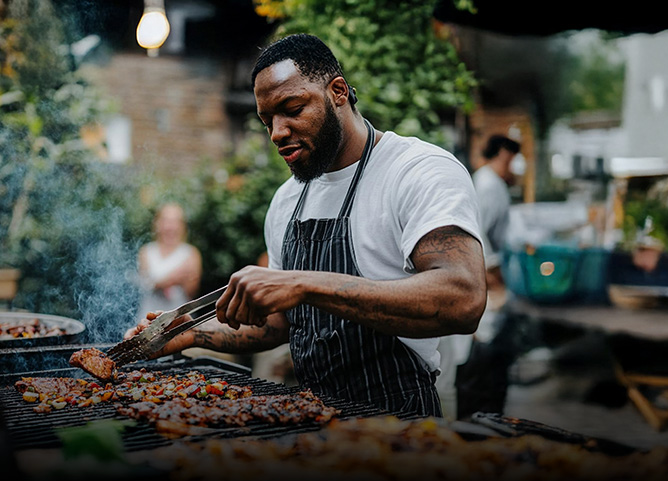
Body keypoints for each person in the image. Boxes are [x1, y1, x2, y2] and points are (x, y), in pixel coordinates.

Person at [125, 34, 487, 417]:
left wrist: (302, 284)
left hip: (400, 423)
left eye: (292, 108)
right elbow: (281, 323)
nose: (278, 132)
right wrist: (184, 333)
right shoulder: (287, 200)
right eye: (268, 121)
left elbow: (463, 298)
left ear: (338, 92)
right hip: (314, 422)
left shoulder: (416, 171)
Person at [451, 134, 522, 418]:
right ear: (501, 154)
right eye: (511, 159)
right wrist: (494, 279)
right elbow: (477, 233)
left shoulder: (490, 183)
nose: (513, 167)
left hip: (490, 278)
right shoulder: (489, 185)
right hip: (487, 280)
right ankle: (480, 420)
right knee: (484, 355)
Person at [136, 202, 203, 320]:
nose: (170, 226)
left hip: (179, 321)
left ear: (183, 225)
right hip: (148, 319)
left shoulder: (191, 253)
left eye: (175, 221)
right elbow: (143, 285)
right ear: (157, 223)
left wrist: (160, 282)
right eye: (166, 220)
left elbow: (192, 292)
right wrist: (171, 279)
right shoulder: (146, 251)